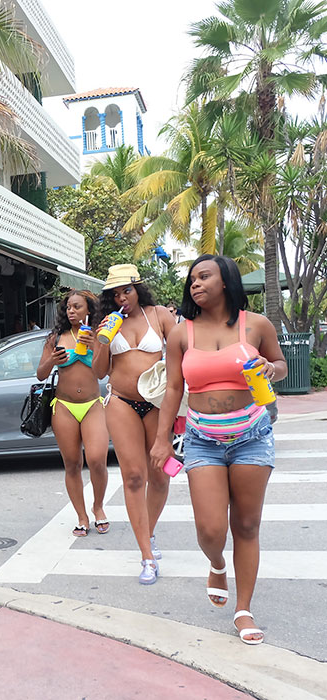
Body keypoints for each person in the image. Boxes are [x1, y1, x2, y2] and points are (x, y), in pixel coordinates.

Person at [150, 255, 287, 644]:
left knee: (245, 524)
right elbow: (174, 388)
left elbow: (280, 365)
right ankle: (216, 563)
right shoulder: (181, 333)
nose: (195, 284)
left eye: (204, 276)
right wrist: (162, 440)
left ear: (225, 281)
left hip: (251, 436)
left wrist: (270, 368)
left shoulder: (256, 324)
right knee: (210, 529)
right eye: (191, 279)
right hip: (202, 440)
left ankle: (243, 609)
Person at [94, 264, 176, 584]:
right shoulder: (108, 323)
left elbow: (182, 352)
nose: (121, 298)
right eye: (115, 294)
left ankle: (149, 531)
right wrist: (103, 339)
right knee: (133, 477)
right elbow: (101, 371)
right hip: (121, 403)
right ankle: (146, 556)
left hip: (156, 403)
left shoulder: (159, 315)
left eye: (126, 291)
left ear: (137, 289)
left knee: (160, 475)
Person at [37, 290, 110, 536]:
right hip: (64, 407)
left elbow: (102, 373)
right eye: (68, 307)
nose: (71, 311)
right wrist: (52, 361)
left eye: (77, 307)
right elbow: (41, 374)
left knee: (98, 460)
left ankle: (98, 507)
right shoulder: (56, 337)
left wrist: (95, 347)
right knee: (72, 464)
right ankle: (81, 516)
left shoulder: (99, 336)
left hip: (92, 404)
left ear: (88, 310)